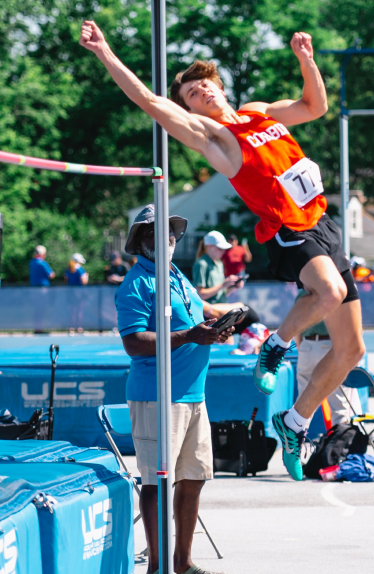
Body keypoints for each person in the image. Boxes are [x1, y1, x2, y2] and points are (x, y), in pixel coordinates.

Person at [81, 21, 365, 481]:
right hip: (288, 229)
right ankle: (274, 346)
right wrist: (105, 52)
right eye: (191, 94)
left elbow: (315, 106)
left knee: (351, 349)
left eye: (205, 85)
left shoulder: (259, 112)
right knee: (328, 292)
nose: (202, 92)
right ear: (190, 109)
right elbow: (149, 101)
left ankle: (295, 422)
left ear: (221, 86)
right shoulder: (214, 138)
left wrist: (306, 59)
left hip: (322, 223)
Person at [116, 205, 233, 574]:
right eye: (155, 231)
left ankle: (182, 563)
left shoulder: (176, 274)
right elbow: (134, 342)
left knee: (193, 478)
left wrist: (213, 331)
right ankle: (157, 566)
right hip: (158, 397)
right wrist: (190, 336)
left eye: (169, 231)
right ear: (141, 240)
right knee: (156, 483)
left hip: (194, 395)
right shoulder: (137, 282)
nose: (166, 237)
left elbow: (194, 320)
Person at [294, 292, 363, 426]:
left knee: (303, 403)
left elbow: (296, 325)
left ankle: (296, 436)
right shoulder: (342, 290)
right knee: (339, 403)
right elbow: (354, 325)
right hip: (332, 346)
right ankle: (340, 437)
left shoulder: (303, 293)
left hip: (308, 346)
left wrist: (302, 347)